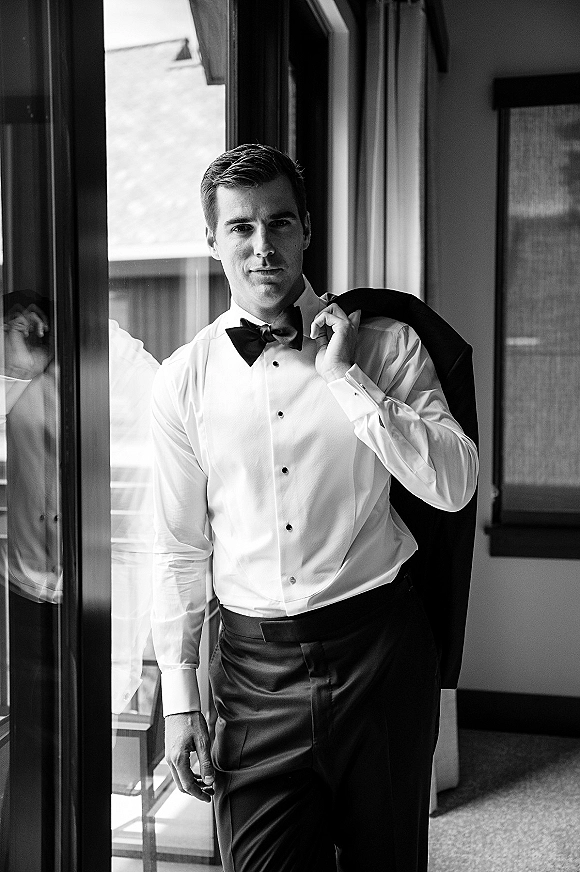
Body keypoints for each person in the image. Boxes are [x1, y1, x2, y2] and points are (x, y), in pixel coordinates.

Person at [151, 143, 479, 872]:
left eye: (280, 223)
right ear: (213, 239)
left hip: (380, 651)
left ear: (306, 231)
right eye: (240, 228)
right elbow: (179, 548)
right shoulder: (182, 380)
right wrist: (180, 699)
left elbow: (455, 485)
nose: (262, 246)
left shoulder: (391, 347)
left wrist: (348, 380)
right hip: (253, 673)